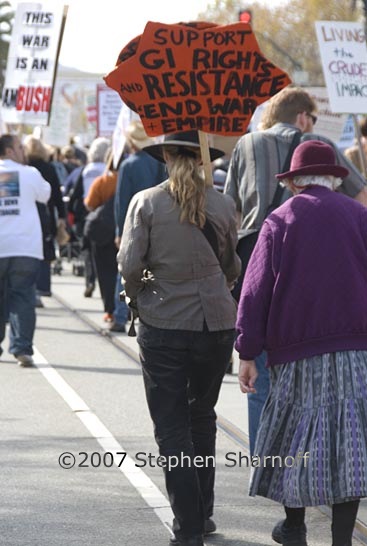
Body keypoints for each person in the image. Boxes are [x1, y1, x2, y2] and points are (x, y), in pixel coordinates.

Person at [235, 139, 367, 546]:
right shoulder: (359, 216)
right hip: (355, 349)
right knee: (349, 442)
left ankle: (294, 526)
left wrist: (247, 350)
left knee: (296, 435)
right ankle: (342, 538)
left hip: (295, 351)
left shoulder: (279, 219)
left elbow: (255, 290)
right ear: (333, 178)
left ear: (294, 183)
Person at [224, 85, 367, 456]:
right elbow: (361, 193)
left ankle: (266, 458)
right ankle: (330, 464)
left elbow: (231, 210)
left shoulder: (246, 144)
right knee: (329, 386)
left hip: (255, 248)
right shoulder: (318, 143)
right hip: (315, 258)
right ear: (303, 117)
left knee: (263, 374)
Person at [118, 130, 241, 546]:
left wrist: (140, 293)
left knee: (172, 428)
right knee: (202, 417)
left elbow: (131, 265)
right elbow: (231, 265)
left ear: (166, 156)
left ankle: (189, 527)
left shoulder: (147, 203)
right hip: (215, 324)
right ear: (204, 158)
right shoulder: (223, 203)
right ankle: (202, 514)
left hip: (165, 322)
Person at [0, 134, 51, 366]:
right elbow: (45, 194)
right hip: (25, 247)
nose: (24, 152)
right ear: (9, 151)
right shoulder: (30, 174)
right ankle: (22, 348)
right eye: (20, 147)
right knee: (23, 297)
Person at [113, 120, 166, 330]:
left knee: (126, 268)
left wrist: (119, 231)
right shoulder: (160, 163)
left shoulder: (128, 165)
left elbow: (121, 201)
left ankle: (119, 315)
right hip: (159, 222)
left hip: (133, 223)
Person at [84, 149, 129, 328]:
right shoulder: (127, 179)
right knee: (125, 273)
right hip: (125, 230)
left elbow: (89, 204)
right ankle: (125, 309)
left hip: (103, 234)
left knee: (105, 273)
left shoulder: (102, 181)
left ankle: (110, 310)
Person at [23, 135, 67, 302]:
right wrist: (62, 216)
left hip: (27, 214)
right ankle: (43, 287)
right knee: (44, 248)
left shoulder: (23, 167)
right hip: (45, 215)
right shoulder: (48, 168)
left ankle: (32, 288)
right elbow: (56, 193)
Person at [68, 137, 111, 299]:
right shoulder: (109, 170)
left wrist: (73, 213)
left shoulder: (85, 170)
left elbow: (76, 194)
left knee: (87, 250)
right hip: (106, 214)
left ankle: (89, 281)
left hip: (88, 213)